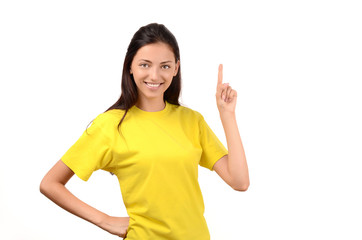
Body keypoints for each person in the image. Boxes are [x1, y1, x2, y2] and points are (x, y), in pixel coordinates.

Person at [40, 23, 249, 239]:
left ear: (176, 68)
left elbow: (239, 181)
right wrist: (106, 220)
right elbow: (50, 183)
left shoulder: (192, 121)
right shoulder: (110, 125)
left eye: (165, 66)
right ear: (130, 66)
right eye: (145, 65)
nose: (154, 75)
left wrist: (227, 115)